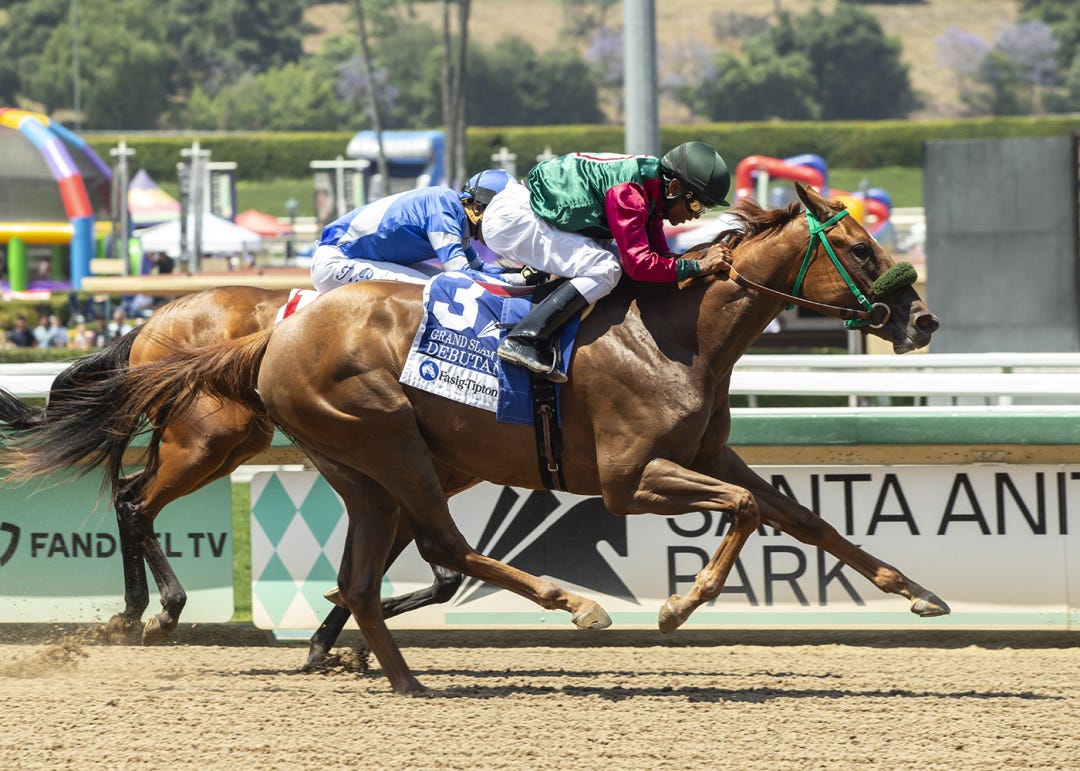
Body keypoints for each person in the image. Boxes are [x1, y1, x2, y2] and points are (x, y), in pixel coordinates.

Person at [482, 141, 733, 382]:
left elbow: (659, 256)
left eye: (703, 210)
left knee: (614, 266)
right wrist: (698, 266)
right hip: (518, 219)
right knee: (606, 269)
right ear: (675, 187)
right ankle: (524, 338)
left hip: (542, 215)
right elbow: (641, 265)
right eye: (696, 205)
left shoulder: (653, 187)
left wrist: (694, 265)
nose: (695, 215)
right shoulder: (630, 192)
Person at [309, 170, 516, 293]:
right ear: (477, 208)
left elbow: (479, 270)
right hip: (335, 262)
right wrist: (513, 282)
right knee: (437, 291)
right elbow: (461, 276)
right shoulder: (442, 205)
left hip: (356, 260)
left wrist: (522, 276)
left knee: (439, 286)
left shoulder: (458, 220)